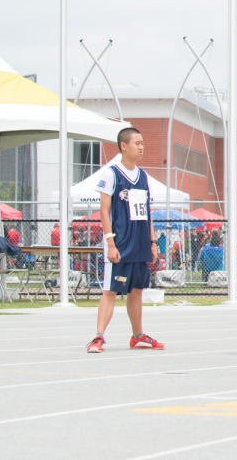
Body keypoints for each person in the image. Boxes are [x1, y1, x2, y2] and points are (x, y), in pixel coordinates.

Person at [87, 127, 165, 354]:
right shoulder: (110, 174)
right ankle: (98, 337)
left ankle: (138, 335)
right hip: (120, 244)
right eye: (137, 143)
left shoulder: (142, 176)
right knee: (111, 291)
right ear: (123, 145)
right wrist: (110, 243)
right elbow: (104, 211)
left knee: (137, 290)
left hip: (140, 243)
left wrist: (152, 242)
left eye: (142, 143)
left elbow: (147, 211)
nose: (141, 147)